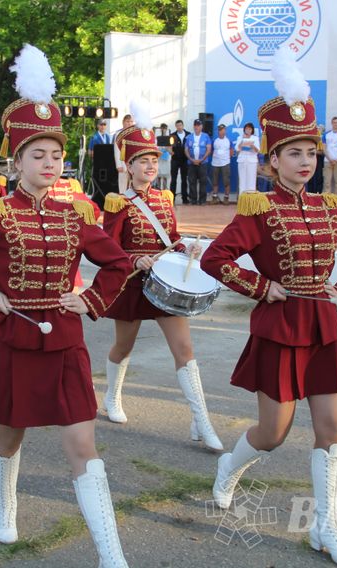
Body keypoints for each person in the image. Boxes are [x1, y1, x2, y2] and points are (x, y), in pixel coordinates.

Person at [0, 44, 131, 566]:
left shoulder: (76, 214)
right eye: (37, 156)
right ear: (15, 161)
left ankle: (112, 555)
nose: (49, 164)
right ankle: (7, 502)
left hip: (66, 344)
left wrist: (89, 299)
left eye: (55, 155)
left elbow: (118, 264)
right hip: (15, 342)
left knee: (84, 448)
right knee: (9, 438)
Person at [201, 48, 337, 568]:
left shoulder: (330, 208)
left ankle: (325, 528)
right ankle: (229, 468)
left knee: (333, 430)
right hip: (279, 327)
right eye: (294, 152)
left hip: (324, 326)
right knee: (273, 433)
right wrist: (261, 287)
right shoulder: (258, 209)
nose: (305, 161)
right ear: (273, 159)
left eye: (311, 152)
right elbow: (216, 258)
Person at [100, 104, 223, 451]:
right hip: (132, 284)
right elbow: (107, 249)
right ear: (128, 166)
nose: (150, 166)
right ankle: (112, 396)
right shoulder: (118, 203)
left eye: (154, 160)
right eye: (143, 161)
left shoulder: (165, 199)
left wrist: (186, 247)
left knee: (184, 349)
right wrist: (134, 259)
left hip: (166, 286)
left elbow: (171, 238)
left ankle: (201, 419)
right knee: (124, 346)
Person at [184, 119, 212, 205]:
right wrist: (191, 159)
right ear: (193, 126)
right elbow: (186, 150)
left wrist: (201, 159)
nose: (196, 127)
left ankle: (202, 200)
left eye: (198, 125)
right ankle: (193, 200)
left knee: (203, 182)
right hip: (191, 163)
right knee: (192, 181)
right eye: (195, 125)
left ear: (201, 126)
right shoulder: (189, 137)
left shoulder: (206, 136)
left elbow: (208, 149)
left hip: (203, 163)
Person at [322, 117, 337, 197]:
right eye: (334, 122)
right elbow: (324, 148)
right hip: (327, 161)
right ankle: (326, 201)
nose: (336, 124)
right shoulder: (326, 135)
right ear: (332, 123)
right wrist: (330, 159)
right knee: (327, 182)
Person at [210, 124, 233, 204]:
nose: (221, 131)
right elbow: (211, 151)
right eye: (220, 130)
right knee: (215, 181)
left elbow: (231, 152)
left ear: (225, 131)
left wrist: (225, 159)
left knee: (226, 182)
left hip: (225, 163)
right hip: (215, 164)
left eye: (223, 130)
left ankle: (226, 198)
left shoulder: (228, 141)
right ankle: (214, 198)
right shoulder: (214, 141)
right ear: (218, 131)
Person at [113, 114, 135, 192]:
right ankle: (122, 198)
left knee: (133, 185)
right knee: (122, 185)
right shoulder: (119, 133)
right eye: (127, 121)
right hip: (123, 163)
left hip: (133, 163)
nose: (129, 123)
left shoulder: (135, 133)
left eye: (131, 121)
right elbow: (117, 150)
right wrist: (118, 165)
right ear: (123, 122)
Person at [236, 122, 260, 193]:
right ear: (244, 130)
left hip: (252, 161)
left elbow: (258, 150)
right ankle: (242, 197)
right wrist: (242, 141)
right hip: (242, 160)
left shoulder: (255, 138)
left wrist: (252, 146)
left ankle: (250, 198)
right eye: (246, 129)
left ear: (252, 130)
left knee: (251, 180)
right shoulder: (240, 137)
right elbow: (237, 149)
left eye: (250, 129)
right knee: (242, 180)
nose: (248, 130)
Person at [170, 119, 190, 203]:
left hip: (185, 160)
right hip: (175, 160)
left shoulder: (188, 134)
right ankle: (172, 198)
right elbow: (169, 145)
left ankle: (185, 198)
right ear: (176, 126)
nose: (179, 127)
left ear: (183, 125)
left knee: (184, 179)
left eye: (180, 125)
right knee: (173, 179)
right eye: (177, 126)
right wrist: (170, 151)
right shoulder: (172, 135)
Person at [156, 123, 171, 191]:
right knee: (158, 175)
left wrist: (168, 149)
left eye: (165, 128)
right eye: (162, 128)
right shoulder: (158, 138)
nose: (164, 130)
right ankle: (158, 189)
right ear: (160, 129)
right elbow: (156, 147)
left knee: (165, 175)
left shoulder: (169, 138)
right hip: (159, 157)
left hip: (166, 158)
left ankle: (165, 190)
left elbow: (170, 148)